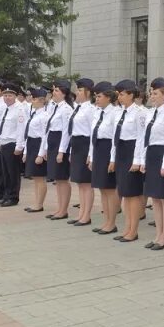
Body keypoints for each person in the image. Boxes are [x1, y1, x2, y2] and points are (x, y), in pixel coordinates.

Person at [141, 78, 164, 250]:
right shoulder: (150, 112)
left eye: (155, 93)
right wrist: (142, 159)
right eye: (151, 93)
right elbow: (145, 139)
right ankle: (158, 235)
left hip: (163, 154)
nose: (152, 96)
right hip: (152, 154)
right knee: (155, 197)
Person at [112, 79, 147, 242]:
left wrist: (137, 160)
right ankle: (127, 228)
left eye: (123, 94)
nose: (119, 97)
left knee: (132, 194)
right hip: (121, 151)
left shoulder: (139, 113)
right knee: (124, 193)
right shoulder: (119, 112)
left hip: (132, 152)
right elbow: (115, 137)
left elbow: (141, 138)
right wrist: (113, 158)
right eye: (118, 94)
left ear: (131, 95)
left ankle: (133, 230)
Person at [61, 78, 96, 226]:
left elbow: (92, 132)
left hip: (85, 144)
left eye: (80, 90)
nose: (77, 92)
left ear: (88, 92)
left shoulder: (91, 109)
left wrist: (90, 154)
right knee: (80, 183)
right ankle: (81, 213)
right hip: (76, 145)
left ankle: (86, 215)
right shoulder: (78, 107)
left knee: (86, 183)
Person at [41, 79, 75, 220]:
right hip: (53, 142)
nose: (53, 93)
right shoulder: (53, 107)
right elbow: (47, 129)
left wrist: (61, 151)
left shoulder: (66, 109)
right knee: (57, 179)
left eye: (56, 90)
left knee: (62, 179)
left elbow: (67, 132)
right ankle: (59, 208)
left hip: (61, 143)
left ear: (64, 93)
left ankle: (63, 210)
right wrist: (45, 149)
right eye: (53, 90)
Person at [89, 81, 120, 234]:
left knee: (109, 189)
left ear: (108, 97)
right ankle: (106, 221)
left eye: (99, 96)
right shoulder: (97, 112)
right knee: (102, 188)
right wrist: (91, 156)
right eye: (95, 96)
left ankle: (112, 223)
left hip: (108, 150)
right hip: (98, 150)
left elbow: (115, 138)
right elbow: (92, 136)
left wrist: (113, 159)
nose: (97, 99)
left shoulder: (115, 113)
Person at [0, 83, 27, 207]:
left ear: (15, 96)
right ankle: (6, 195)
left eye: (9, 95)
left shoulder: (19, 109)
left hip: (12, 144)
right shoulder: (5, 108)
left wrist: (19, 147)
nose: (7, 98)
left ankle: (13, 197)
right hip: (4, 142)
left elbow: (21, 129)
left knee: (12, 173)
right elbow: (2, 127)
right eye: (5, 95)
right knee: (5, 173)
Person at [22, 88, 51, 212]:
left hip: (39, 145)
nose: (31, 101)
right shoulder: (35, 113)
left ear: (41, 100)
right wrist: (25, 152)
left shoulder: (44, 116)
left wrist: (41, 154)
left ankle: (39, 204)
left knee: (39, 177)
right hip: (32, 144)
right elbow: (28, 134)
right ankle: (36, 202)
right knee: (35, 177)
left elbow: (45, 136)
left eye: (33, 99)